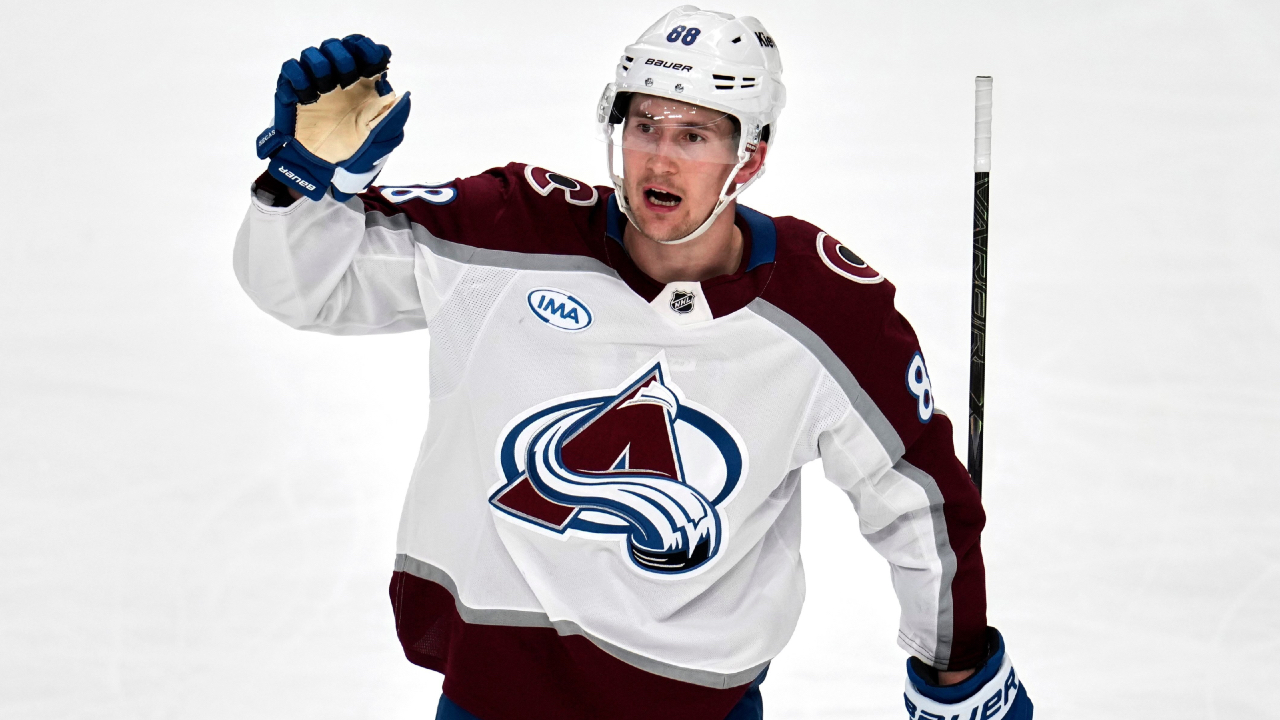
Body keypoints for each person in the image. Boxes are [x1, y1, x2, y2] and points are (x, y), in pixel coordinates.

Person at [234, 7, 1033, 720]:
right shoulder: (509, 232)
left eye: (695, 136)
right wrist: (303, 186)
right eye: (644, 125)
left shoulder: (825, 310)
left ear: (750, 157)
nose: (659, 160)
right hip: (492, 695)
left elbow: (918, 500)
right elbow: (309, 289)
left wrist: (957, 665)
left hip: (694, 707)